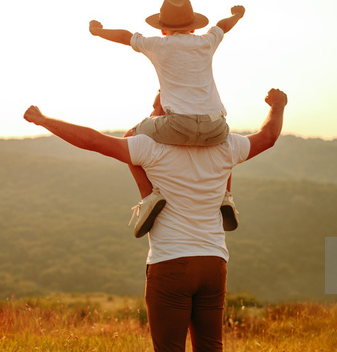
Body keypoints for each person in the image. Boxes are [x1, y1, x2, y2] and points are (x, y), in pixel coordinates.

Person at [23, 88, 287, 351]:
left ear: (169, 113)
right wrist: (277, 105)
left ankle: (149, 197)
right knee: (210, 347)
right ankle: (226, 196)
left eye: (155, 109)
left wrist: (44, 120)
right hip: (214, 263)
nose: (151, 114)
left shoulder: (150, 148)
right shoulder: (226, 145)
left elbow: (92, 141)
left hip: (171, 264)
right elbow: (269, 136)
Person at [89, 0, 246, 237]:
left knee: (130, 136)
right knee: (226, 145)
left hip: (178, 124)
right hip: (216, 126)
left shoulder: (156, 45)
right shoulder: (207, 41)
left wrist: (99, 31)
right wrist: (237, 15)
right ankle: (226, 196)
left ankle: (149, 198)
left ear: (162, 30)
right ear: (193, 26)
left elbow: (124, 35)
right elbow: (223, 25)